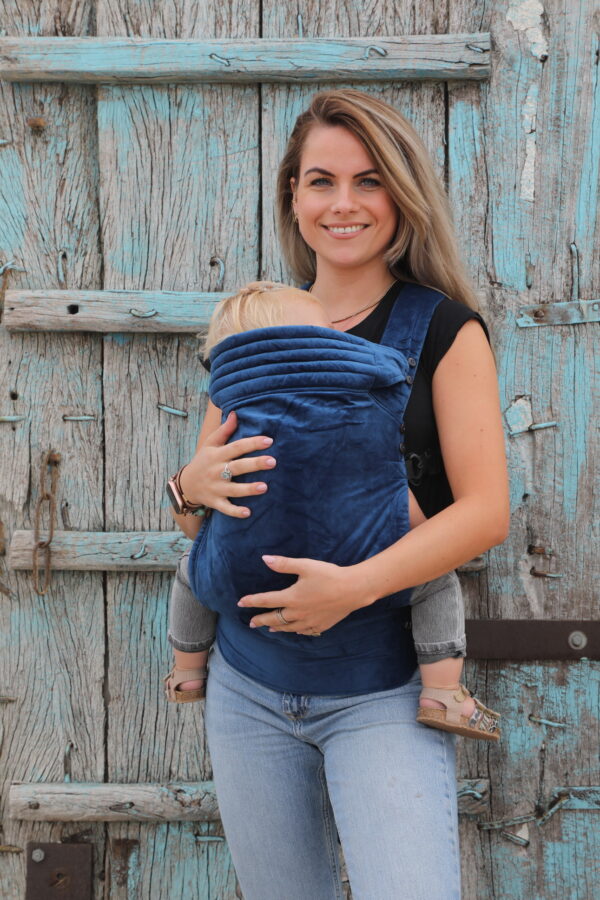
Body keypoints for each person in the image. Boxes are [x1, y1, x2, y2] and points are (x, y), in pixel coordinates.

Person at [167, 89, 509, 899]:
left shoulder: (442, 330)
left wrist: (352, 588)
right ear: (293, 194)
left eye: (370, 181)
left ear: (401, 195)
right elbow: (200, 517)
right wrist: (185, 484)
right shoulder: (261, 325)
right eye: (321, 180)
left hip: (382, 690)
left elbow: (486, 512)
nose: (344, 204)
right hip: (248, 687)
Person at [164, 280, 500, 742]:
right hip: (337, 580)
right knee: (435, 581)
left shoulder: (235, 389)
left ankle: (186, 670)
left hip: (245, 585)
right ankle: (442, 691)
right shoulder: (357, 387)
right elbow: (385, 402)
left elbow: (195, 532)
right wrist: (187, 486)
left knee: (190, 571)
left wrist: (187, 488)